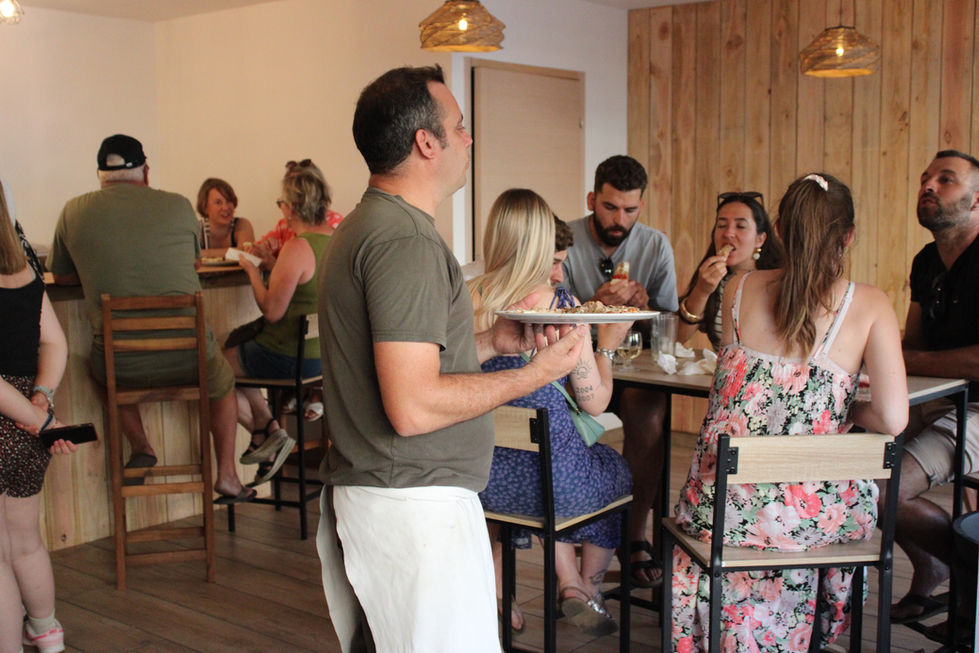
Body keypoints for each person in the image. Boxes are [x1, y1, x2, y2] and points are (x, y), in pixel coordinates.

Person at [316, 65, 588, 652]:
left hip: (399, 498)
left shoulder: (373, 226)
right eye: (460, 127)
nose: (469, 139)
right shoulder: (404, 241)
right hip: (412, 508)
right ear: (426, 142)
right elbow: (412, 406)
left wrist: (492, 345)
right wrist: (535, 375)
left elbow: (398, 366)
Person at [670, 173, 908, 652]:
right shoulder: (871, 304)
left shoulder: (738, 289)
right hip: (812, 520)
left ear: (776, 228)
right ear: (849, 235)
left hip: (722, 515)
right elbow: (893, 417)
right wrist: (847, 407)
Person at [47, 134, 254, 503]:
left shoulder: (73, 211)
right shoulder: (178, 207)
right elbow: (192, 263)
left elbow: (61, 278)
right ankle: (226, 475)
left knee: (100, 367)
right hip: (190, 358)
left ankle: (142, 444)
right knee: (222, 381)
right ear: (145, 171)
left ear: (100, 175)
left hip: (121, 364)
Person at [470, 189, 632, 637]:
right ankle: (584, 587)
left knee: (520, 475)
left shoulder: (463, 298)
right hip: (555, 487)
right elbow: (594, 402)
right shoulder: (560, 308)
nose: (559, 271)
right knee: (614, 470)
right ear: (537, 245)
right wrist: (609, 348)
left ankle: (501, 599)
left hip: (477, 482)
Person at [560, 154, 675, 587]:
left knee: (648, 418)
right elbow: (549, 314)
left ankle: (635, 533)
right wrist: (596, 304)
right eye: (610, 207)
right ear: (593, 199)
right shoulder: (566, 241)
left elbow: (669, 320)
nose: (619, 219)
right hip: (575, 364)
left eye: (630, 210)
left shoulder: (655, 244)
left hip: (636, 367)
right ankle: (578, 531)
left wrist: (642, 309)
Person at [888, 150, 979, 626]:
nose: (929, 186)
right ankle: (932, 569)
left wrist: (911, 360)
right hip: (939, 398)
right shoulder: (927, 260)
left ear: (977, 198)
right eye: (925, 178)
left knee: (886, 489)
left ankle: (972, 576)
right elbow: (913, 343)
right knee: (853, 467)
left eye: (946, 180)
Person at [0, 178, 77, 653]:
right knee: (25, 542)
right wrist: (42, 400)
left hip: (19, 416)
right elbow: (54, 340)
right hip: (28, 424)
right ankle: (47, 633)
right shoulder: (21, 254)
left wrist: (36, 415)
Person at [223, 165, 332, 485]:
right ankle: (267, 430)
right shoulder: (337, 241)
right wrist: (274, 265)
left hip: (288, 356)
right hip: (323, 358)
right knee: (231, 358)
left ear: (291, 206)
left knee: (215, 367)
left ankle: (267, 427)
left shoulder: (298, 247)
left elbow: (271, 310)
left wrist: (252, 270)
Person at [676, 191, 784, 348]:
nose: (728, 233)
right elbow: (678, 338)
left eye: (740, 226)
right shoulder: (712, 278)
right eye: (721, 225)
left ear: (760, 239)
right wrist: (702, 290)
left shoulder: (777, 282)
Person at [246, 160, 343, 272]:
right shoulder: (284, 225)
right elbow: (255, 250)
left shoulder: (333, 225)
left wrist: (258, 270)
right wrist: (265, 248)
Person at [195, 177, 254, 250]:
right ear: (205, 208)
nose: (225, 207)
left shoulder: (242, 224)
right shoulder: (195, 230)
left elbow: (246, 252)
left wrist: (203, 254)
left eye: (229, 201)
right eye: (218, 202)